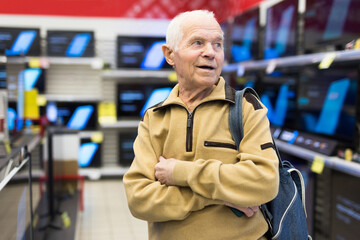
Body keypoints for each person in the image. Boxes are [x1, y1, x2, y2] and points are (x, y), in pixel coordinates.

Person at [123, 10, 279, 240]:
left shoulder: (246, 108)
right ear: (169, 54)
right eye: (198, 42)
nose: (210, 53)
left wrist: (180, 172)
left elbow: (264, 183)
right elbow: (139, 199)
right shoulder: (154, 118)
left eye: (217, 44)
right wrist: (216, 196)